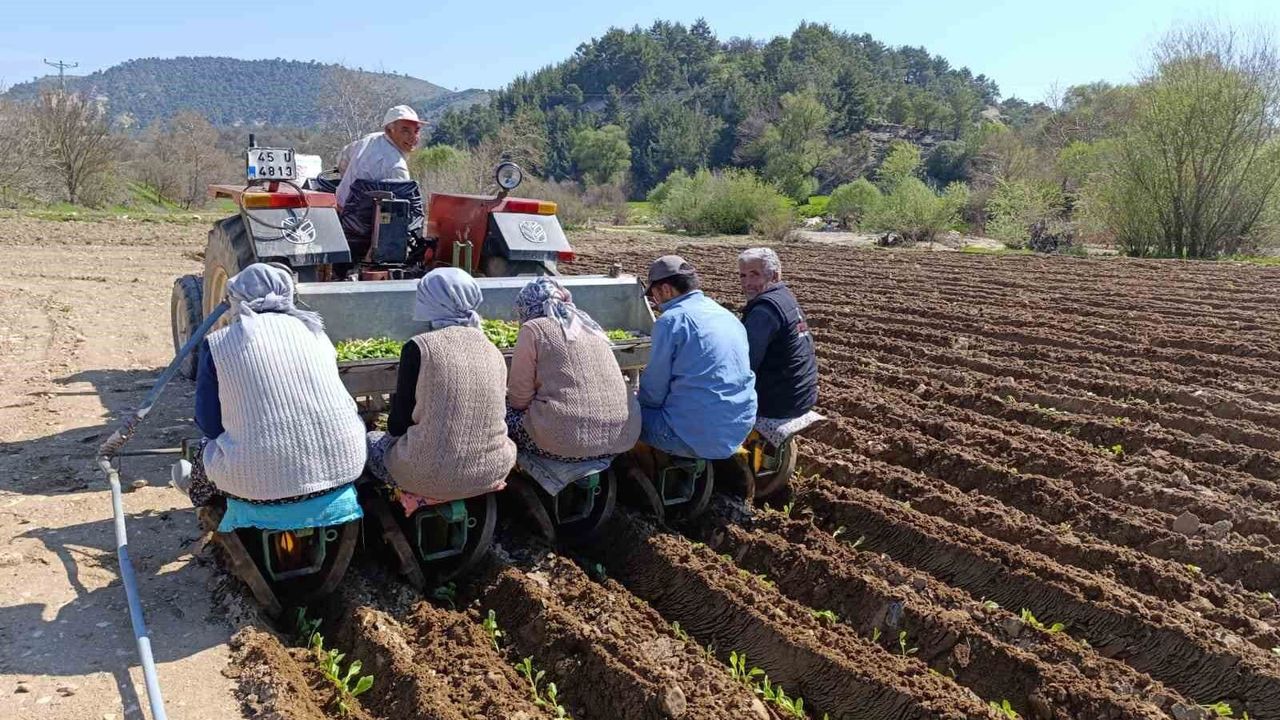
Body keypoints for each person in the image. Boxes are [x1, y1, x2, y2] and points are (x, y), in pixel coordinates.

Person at [186, 263, 366, 531]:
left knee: (203, 453)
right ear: (287, 293)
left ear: (235, 298)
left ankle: (206, 507)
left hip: (257, 487)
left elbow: (209, 425)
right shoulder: (315, 332)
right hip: (346, 468)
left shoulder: (218, 343)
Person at [365, 268, 516, 508]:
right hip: (492, 470)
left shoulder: (419, 347)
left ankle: (391, 503)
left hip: (424, 474)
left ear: (429, 301)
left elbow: (398, 425)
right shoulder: (493, 349)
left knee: (371, 442)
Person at [506, 277, 641, 462]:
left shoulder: (533, 329)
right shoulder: (589, 324)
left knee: (504, 414)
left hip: (567, 445)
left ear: (525, 306)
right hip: (623, 438)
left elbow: (519, 399)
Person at [637, 255, 756, 460]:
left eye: (654, 295)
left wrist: (633, 397)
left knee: (626, 416)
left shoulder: (670, 321)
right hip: (738, 428)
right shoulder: (726, 315)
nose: (655, 302)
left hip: (693, 436)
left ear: (666, 289)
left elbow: (654, 392)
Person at [737, 248, 819, 439]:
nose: (747, 283)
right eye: (743, 276)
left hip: (780, 402)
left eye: (754, 275)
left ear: (775, 275)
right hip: (803, 393)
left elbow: (744, 364)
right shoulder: (785, 296)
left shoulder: (763, 311)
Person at [335, 105, 422, 209]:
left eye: (416, 131)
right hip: (366, 218)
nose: (413, 137)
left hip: (339, 208)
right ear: (389, 130)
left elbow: (342, 158)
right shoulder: (397, 166)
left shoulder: (368, 139)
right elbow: (403, 207)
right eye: (405, 131)